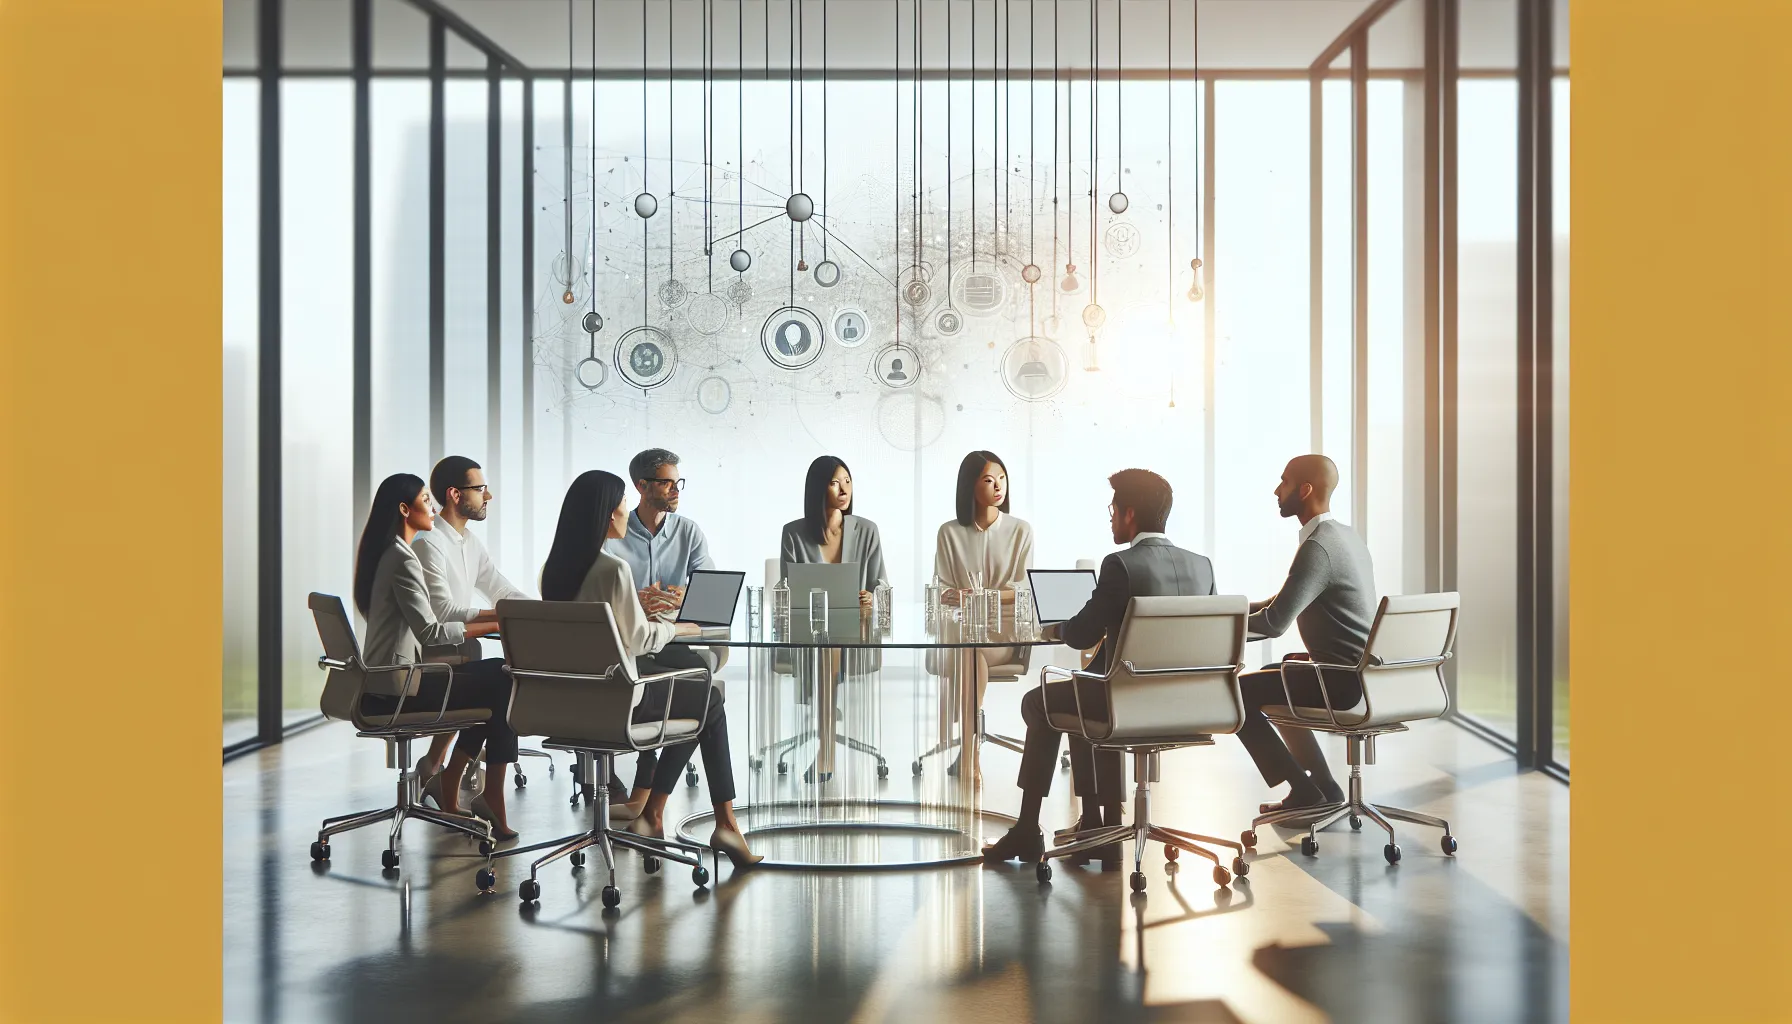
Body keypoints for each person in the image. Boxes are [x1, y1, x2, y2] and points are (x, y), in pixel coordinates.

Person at [982, 469, 1216, 867]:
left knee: (1043, 703)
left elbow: (1079, 633)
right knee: (1082, 689)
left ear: (1129, 515)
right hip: (1189, 707)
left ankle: (1028, 828)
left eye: (1113, 510)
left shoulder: (1121, 565)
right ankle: (1097, 822)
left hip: (1125, 704)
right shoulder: (1203, 567)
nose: (1110, 518)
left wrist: (1058, 625)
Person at [539, 469, 761, 869]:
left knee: (699, 693)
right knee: (706, 698)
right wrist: (679, 626)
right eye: (622, 502)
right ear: (609, 514)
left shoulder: (553, 571)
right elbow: (639, 639)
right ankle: (700, 819)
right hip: (620, 702)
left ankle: (660, 814)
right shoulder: (612, 570)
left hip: (572, 704)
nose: (627, 509)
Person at [354, 473, 522, 839]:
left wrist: (510, 613)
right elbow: (430, 631)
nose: (433, 508)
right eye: (426, 501)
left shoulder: (390, 554)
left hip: (387, 681)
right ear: (404, 509)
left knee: (494, 684)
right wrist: (493, 623)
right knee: (505, 677)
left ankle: (455, 784)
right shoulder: (404, 558)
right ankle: (485, 793)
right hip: (397, 690)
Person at [1235, 455, 1377, 817]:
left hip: (1342, 682)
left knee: (1236, 693)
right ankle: (1322, 788)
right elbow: (1281, 601)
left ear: (1305, 489)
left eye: (1283, 482)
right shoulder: (1344, 536)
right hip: (1362, 674)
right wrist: (1228, 610)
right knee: (1274, 669)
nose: (1277, 491)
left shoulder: (1318, 547)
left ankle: (1305, 790)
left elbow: (1275, 622)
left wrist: (1216, 626)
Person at [607, 447, 722, 817]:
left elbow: (711, 590)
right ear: (642, 486)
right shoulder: (613, 533)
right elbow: (602, 598)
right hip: (624, 645)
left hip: (668, 639)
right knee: (701, 696)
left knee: (701, 682)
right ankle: (650, 794)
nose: (676, 490)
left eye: (678, 482)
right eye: (667, 482)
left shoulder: (688, 531)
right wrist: (637, 601)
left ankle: (649, 788)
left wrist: (678, 596)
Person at [411, 456, 529, 786]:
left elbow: (499, 588)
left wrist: (538, 610)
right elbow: (444, 612)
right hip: (430, 659)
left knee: (491, 673)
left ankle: (436, 768)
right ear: (455, 494)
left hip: (457, 650)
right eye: (480, 489)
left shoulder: (469, 542)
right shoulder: (428, 543)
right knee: (500, 680)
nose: (487, 496)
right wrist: (501, 616)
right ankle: (445, 772)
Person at [932, 451, 1035, 776]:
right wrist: (959, 596)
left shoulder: (1020, 530)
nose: (997, 486)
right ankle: (969, 748)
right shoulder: (949, 533)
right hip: (961, 630)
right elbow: (941, 592)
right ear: (970, 486)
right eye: (988, 480)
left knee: (971, 650)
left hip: (1002, 633)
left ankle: (968, 753)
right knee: (967, 646)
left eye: (1001, 478)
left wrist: (984, 597)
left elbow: (1023, 590)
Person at [779, 455, 886, 605]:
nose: (844, 490)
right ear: (818, 487)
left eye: (847, 481)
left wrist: (871, 598)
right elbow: (786, 595)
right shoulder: (793, 534)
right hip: (809, 626)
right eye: (834, 483)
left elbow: (881, 589)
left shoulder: (867, 531)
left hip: (858, 625)